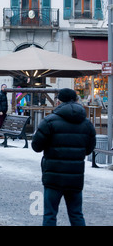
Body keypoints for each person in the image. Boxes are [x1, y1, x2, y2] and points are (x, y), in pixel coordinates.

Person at [32, 88, 96, 226]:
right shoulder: (86, 124)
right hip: (75, 176)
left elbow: (36, 146)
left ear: (58, 101)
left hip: (53, 176)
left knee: (50, 215)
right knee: (76, 214)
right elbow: (88, 150)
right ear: (77, 100)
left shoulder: (49, 121)